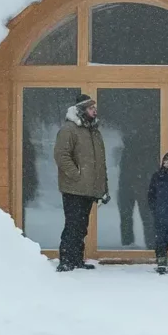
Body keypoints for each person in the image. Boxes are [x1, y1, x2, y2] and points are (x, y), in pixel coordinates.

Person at [53, 94, 110, 272]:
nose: (95, 111)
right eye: (91, 108)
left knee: (81, 226)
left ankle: (76, 259)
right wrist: (76, 175)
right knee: (72, 225)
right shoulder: (69, 130)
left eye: (95, 108)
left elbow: (101, 163)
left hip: (89, 189)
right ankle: (65, 260)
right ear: (81, 110)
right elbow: (61, 156)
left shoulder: (94, 132)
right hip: (73, 188)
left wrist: (103, 188)